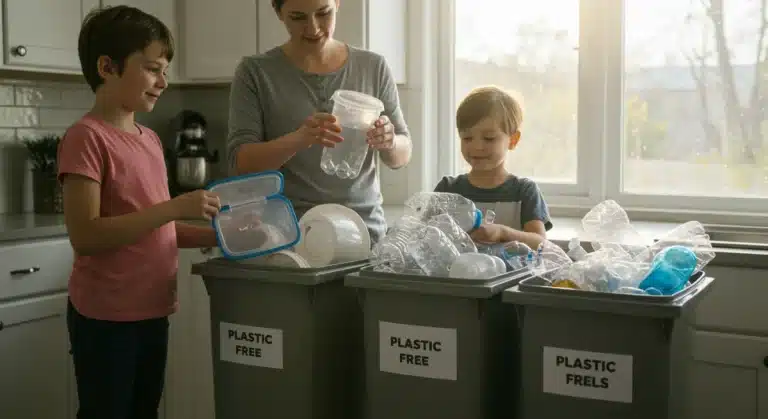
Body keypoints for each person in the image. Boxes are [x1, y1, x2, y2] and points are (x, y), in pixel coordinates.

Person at [57, 6, 221, 419]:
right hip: (105, 316)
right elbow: (87, 235)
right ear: (107, 67)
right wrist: (173, 207)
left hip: (151, 308)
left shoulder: (148, 140)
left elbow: (155, 229)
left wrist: (220, 236)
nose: (163, 82)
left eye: (165, 70)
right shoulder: (86, 138)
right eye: (152, 69)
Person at [227, 0, 412, 244]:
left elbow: (403, 154)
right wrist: (299, 139)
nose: (313, 28)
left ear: (337, 3)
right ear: (278, 12)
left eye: (323, 13)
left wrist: (389, 142)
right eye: (298, 17)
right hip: (289, 235)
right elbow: (241, 163)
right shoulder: (255, 73)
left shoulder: (373, 67)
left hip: (364, 232)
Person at [434, 86, 552, 250]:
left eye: (489, 138)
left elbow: (541, 243)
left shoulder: (524, 191)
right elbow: (426, 236)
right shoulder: (448, 189)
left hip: (511, 276)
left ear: (513, 140)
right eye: (467, 138)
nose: (477, 146)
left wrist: (503, 232)